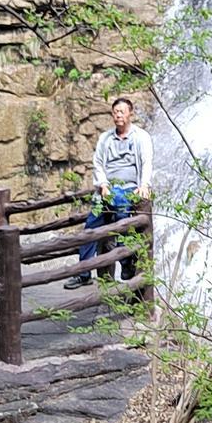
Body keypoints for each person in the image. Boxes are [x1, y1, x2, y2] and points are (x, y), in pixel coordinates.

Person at [65, 96, 153, 289]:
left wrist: (144, 184)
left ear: (130, 113)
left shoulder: (141, 137)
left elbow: (146, 162)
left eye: (121, 112)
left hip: (129, 188)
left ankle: (125, 262)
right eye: (115, 112)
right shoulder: (105, 138)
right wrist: (103, 185)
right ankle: (84, 273)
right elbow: (98, 164)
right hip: (107, 189)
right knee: (90, 226)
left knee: (122, 213)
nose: (118, 115)